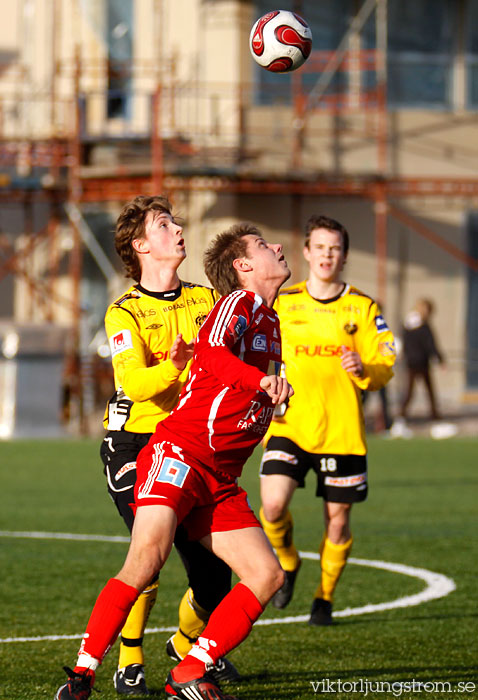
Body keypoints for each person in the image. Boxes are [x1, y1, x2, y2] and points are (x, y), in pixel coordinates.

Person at [54, 222, 294, 700]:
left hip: (220, 477)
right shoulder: (237, 303)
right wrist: (258, 383)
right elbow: (210, 351)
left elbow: (240, 392)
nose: (280, 247)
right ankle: (83, 675)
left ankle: (190, 669)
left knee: (267, 575)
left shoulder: (270, 321)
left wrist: (272, 400)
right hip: (179, 454)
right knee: (146, 560)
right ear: (243, 266)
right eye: (266, 245)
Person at [99, 195, 238, 694]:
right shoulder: (124, 313)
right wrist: (176, 365)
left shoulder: (206, 301)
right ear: (141, 246)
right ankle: (128, 660)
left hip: (192, 445)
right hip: (135, 443)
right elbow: (133, 384)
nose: (178, 229)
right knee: (149, 554)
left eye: (176, 221)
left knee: (216, 579)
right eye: (164, 224)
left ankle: (186, 645)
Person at [259, 214, 396, 626]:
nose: (326, 255)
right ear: (306, 252)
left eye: (334, 248)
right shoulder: (285, 302)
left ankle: (324, 597)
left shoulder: (363, 306)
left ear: (345, 256)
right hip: (290, 426)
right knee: (272, 504)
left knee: (337, 522)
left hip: (341, 431)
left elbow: (386, 364)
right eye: (319, 247)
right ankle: (287, 561)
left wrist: (365, 367)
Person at [398, 298, 444, 421]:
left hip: (416, 361)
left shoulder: (409, 324)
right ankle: (402, 415)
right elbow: (430, 344)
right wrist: (440, 359)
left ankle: (432, 413)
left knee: (424, 390)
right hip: (417, 361)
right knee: (413, 391)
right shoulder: (421, 326)